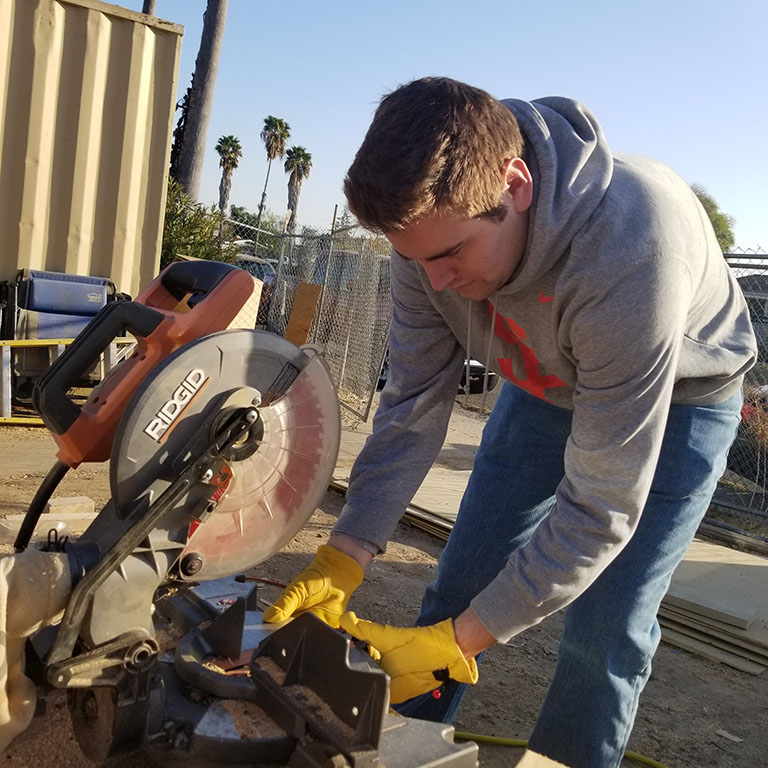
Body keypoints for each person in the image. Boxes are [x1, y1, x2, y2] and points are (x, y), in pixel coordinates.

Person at [263, 77, 757, 768]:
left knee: (605, 628)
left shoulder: (629, 251)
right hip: (546, 385)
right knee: (460, 579)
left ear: (516, 185)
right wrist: (349, 549)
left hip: (680, 399)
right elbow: (411, 405)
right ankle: (397, 749)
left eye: (449, 255)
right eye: (414, 258)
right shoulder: (425, 238)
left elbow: (601, 507)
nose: (433, 281)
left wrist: (460, 643)